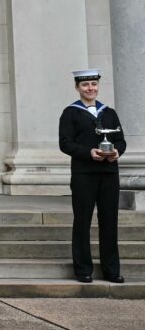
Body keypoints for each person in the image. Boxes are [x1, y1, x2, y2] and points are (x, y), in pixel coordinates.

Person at [59, 68, 125, 284]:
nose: (90, 88)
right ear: (77, 87)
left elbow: (121, 140)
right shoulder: (70, 112)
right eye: (86, 85)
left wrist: (116, 152)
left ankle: (111, 270)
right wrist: (88, 153)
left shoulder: (109, 112)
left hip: (108, 173)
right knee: (82, 221)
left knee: (109, 221)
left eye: (93, 84)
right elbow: (65, 143)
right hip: (84, 174)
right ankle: (83, 269)